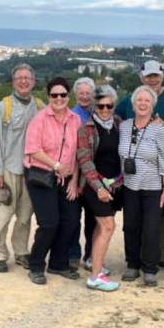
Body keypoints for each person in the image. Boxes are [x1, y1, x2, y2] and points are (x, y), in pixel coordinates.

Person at [112, 60, 164, 270]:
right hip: (132, 178)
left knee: (162, 221)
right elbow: (112, 120)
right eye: (148, 76)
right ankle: (136, 260)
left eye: (156, 76)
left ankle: (163, 255)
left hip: (161, 171)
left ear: (162, 77)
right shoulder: (127, 104)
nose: (152, 80)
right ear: (141, 78)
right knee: (133, 223)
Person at [24, 78, 82, 285]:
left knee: (70, 221)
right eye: (54, 95)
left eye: (63, 95)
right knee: (49, 223)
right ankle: (36, 264)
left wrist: (74, 181)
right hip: (41, 175)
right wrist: (56, 165)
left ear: (68, 97)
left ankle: (58, 263)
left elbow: (78, 153)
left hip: (67, 177)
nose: (59, 99)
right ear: (48, 97)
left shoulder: (75, 120)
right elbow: (32, 149)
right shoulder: (39, 120)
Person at [0, 64, 43, 272]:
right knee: (4, 214)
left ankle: (21, 252)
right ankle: (0, 255)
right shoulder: (3, 108)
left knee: (24, 215)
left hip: (32, 170)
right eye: (19, 78)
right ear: (13, 82)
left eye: (27, 78)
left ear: (33, 81)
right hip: (9, 169)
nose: (23, 81)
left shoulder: (40, 106)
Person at [118, 86, 164, 287]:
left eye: (146, 101)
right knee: (130, 226)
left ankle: (149, 268)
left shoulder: (160, 129)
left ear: (152, 105)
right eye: (138, 100)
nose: (142, 104)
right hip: (130, 185)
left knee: (151, 229)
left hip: (153, 187)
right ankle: (132, 263)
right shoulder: (124, 126)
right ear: (133, 104)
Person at [75, 85, 122, 292]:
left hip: (114, 186)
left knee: (98, 227)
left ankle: (96, 264)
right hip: (94, 187)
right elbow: (85, 162)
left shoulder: (120, 124)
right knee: (108, 226)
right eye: (100, 106)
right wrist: (99, 188)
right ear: (94, 107)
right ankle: (95, 277)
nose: (104, 110)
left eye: (108, 106)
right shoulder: (86, 129)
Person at [67, 76, 95, 269]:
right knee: (73, 219)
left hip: (93, 176)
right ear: (75, 95)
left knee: (93, 220)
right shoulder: (71, 116)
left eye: (88, 93)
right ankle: (73, 254)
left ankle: (91, 255)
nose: (85, 96)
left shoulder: (99, 112)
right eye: (81, 93)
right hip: (75, 175)